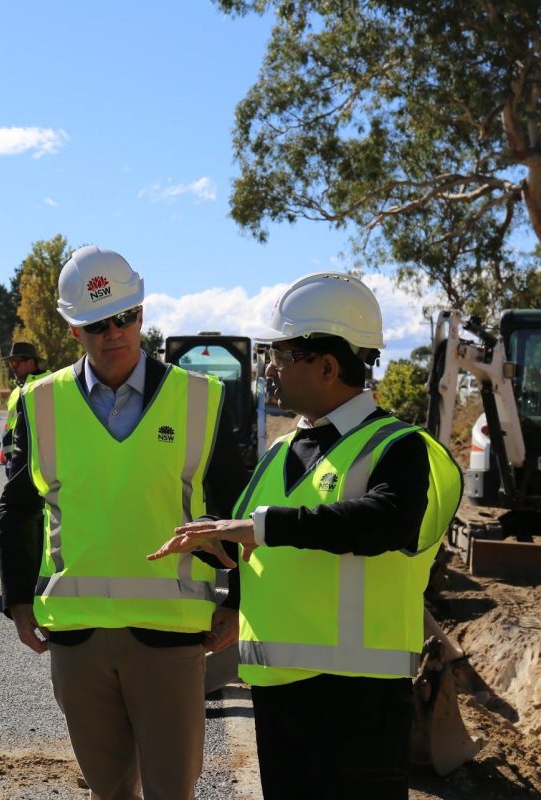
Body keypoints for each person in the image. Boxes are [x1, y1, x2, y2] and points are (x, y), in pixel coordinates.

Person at [148, 272, 461, 800]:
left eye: (279, 354)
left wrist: (261, 527)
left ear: (327, 365)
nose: (269, 369)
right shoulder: (280, 450)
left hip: (359, 702)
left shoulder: (398, 445)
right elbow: (256, 542)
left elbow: (387, 520)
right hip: (278, 693)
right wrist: (228, 578)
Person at [0, 245, 248, 800]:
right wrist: (16, 598)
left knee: (171, 789)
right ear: (72, 329)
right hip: (77, 636)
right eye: (95, 324)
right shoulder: (38, 402)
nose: (114, 333)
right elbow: (20, 506)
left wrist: (237, 601)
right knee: (109, 790)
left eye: (125, 317)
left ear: (141, 311)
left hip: (172, 634)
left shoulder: (200, 398)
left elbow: (234, 511)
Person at [0, 341, 51, 472]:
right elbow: (11, 425)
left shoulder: (49, 384)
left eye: (16, 362)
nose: (13, 367)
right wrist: (9, 458)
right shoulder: (16, 391)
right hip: (14, 463)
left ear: (31, 362)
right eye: (11, 363)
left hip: (39, 465)